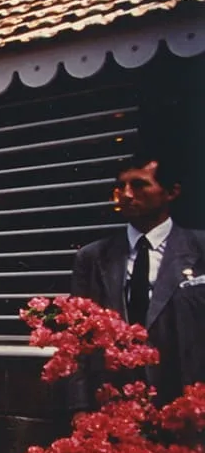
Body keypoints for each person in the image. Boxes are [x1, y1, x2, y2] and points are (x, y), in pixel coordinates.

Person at [68, 153, 205, 410]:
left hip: (188, 404)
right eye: (121, 186)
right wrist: (80, 408)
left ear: (171, 192)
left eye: (140, 185)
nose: (127, 195)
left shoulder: (199, 248)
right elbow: (78, 342)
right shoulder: (93, 258)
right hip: (118, 404)